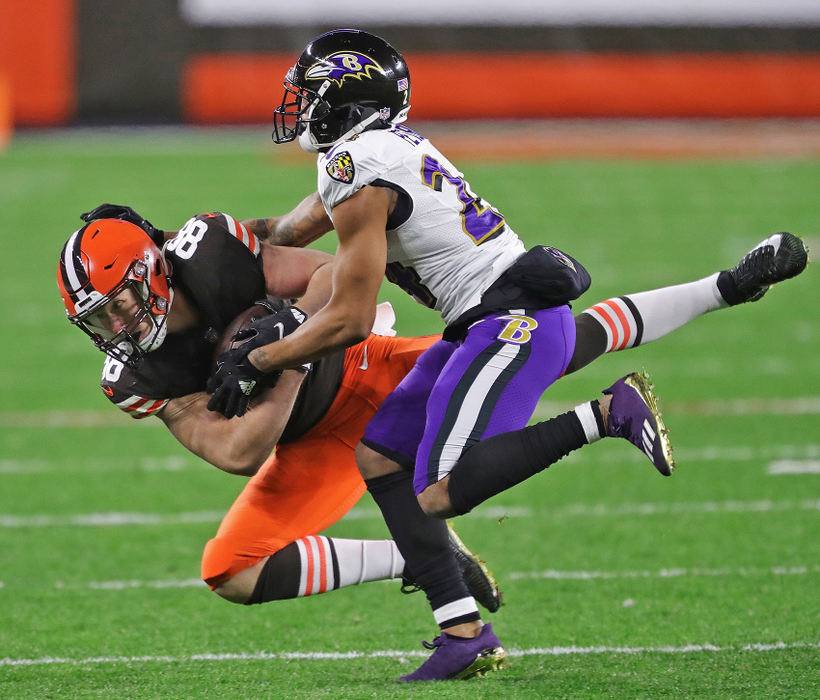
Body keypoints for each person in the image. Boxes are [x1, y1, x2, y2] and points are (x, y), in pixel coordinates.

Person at [207, 28, 810, 681]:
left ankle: (604, 415)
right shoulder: (377, 153)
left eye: (307, 93)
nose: (296, 104)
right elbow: (291, 229)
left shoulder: (355, 166)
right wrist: (210, 239)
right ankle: (463, 632)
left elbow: (351, 318)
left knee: (436, 492)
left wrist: (261, 360)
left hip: (503, 323)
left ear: (342, 100)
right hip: (506, 318)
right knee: (381, 456)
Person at [56, 207, 503, 642]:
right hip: (315, 444)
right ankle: (419, 555)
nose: (115, 326)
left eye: (118, 304)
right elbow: (238, 452)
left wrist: (290, 330)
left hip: (366, 367)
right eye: (97, 318)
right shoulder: (135, 377)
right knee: (230, 571)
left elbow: (335, 276)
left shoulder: (209, 254)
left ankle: (577, 357)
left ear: (149, 273)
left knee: (514, 344)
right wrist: (288, 361)